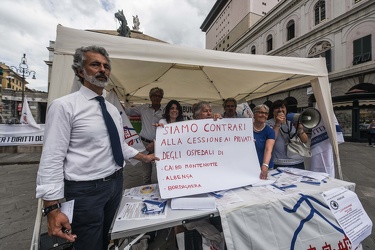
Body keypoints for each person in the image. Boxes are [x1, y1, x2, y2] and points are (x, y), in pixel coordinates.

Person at [36, 45, 159, 250]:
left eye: (106, 66)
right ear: (79, 71)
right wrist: (52, 208)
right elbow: (52, 157)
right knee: (88, 243)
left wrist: (144, 157)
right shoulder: (64, 106)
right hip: (85, 191)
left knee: (106, 238)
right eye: (95, 64)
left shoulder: (111, 109)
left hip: (115, 184)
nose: (103, 69)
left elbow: (117, 144)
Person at [125, 87, 164, 184]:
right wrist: (116, 100)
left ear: (162, 98)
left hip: (160, 144)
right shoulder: (143, 108)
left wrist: (154, 143)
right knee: (146, 171)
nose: (157, 98)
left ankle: (163, 190)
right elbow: (127, 111)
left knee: (162, 169)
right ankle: (146, 191)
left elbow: (166, 128)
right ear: (150, 97)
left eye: (159, 96)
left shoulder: (164, 111)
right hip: (145, 144)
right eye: (154, 95)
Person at [266, 100, 308, 169]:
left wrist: (300, 129)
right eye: (277, 108)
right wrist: (277, 124)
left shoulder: (292, 122)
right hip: (279, 162)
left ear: (286, 109)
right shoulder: (268, 123)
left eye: (282, 107)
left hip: (297, 161)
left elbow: (305, 140)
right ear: (273, 111)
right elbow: (271, 139)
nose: (280, 110)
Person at [253, 104, 275, 179]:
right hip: (250, 168)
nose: (263, 115)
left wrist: (265, 166)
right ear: (254, 114)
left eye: (266, 113)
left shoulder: (270, 131)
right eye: (261, 112)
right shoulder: (245, 128)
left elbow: (268, 149)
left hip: (265, 168)